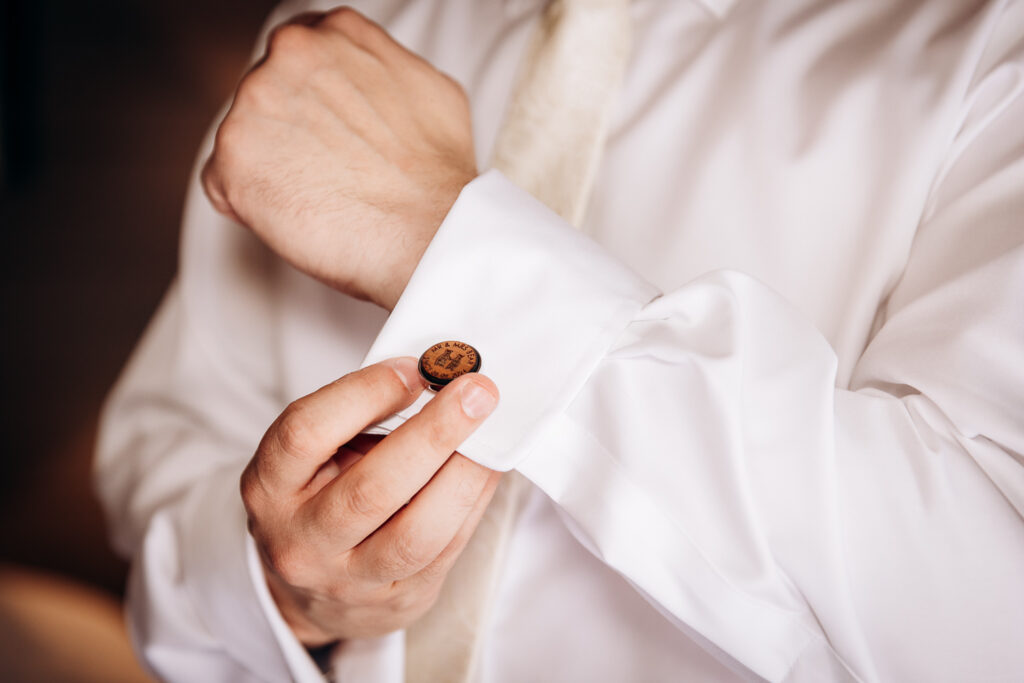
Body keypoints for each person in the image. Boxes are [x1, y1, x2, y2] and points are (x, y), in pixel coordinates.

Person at [95, 0, 1024, 681]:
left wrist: (443, 235)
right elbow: (163, 459)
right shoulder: (333, 44)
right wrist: (282, 598)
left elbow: (982, 627)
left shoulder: (993, 51)